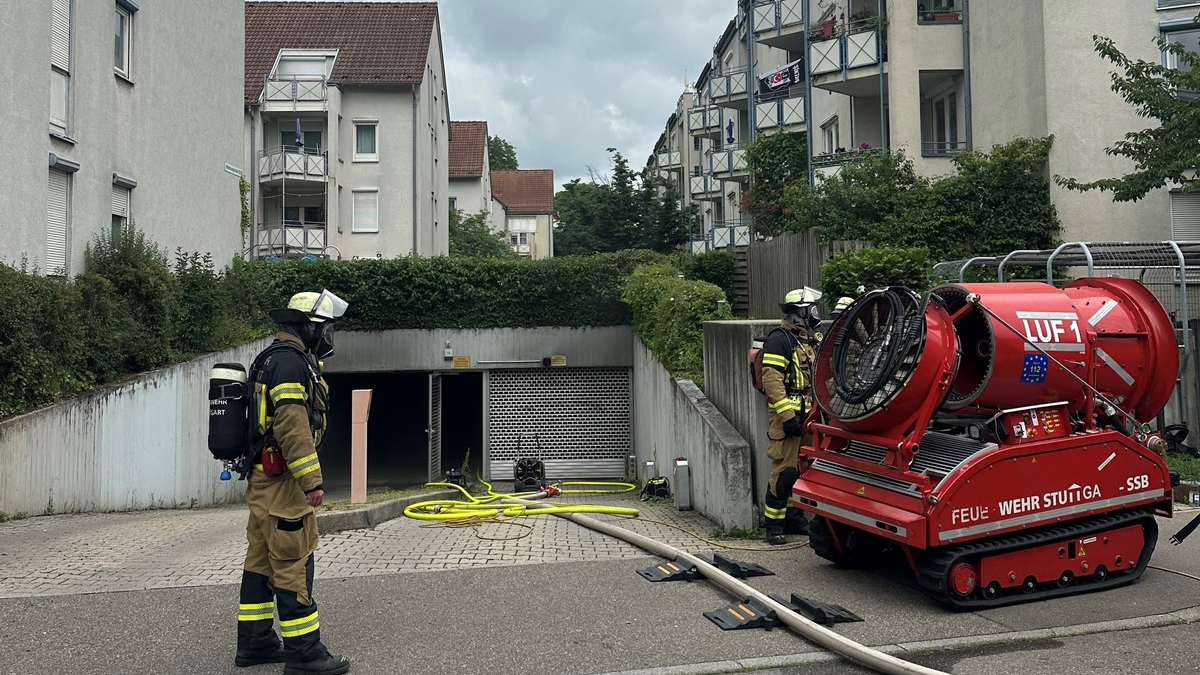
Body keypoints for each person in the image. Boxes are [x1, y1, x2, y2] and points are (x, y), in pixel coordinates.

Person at [235, 290, 352, 675]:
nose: (328, 335)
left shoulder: (270, 358)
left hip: (262, 479)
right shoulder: (290, 365)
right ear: (308, 327)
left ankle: (255, 643)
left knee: (261, 561)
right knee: (292, 560)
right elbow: (291, 426)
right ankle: (305, 654)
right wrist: (311, 481)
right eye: (325, 328)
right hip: (283, 480)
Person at [759, 287, 822, 545]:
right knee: (784, 472)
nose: (816, 314)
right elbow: (771, 380)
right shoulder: (779, 339)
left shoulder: (809, 340)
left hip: (808, 418)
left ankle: (794, 518)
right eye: (812, 309)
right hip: (787, 420)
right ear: (801, 312)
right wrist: (787, 417)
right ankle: (773, 525)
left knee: (802, 471)